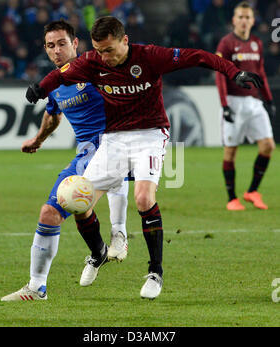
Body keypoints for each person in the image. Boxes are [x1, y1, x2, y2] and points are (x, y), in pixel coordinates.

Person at [25, 16, 263, 299]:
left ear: (125, 41)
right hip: (114, 138)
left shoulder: (150, 56)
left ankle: (155, 272)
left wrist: (233, 72)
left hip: (150, 134)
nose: (105, 58)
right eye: (99, 51)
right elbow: (62, 74)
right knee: (79, 199)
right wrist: (40, 88)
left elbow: (197, 56)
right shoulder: (93, 61)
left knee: (143, 198)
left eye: (110, 50)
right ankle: (99, 252)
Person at [1, 20, 129, 301]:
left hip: (113, 146)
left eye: (62, 43)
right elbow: (53, 113)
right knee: (67, 211)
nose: (56, 50)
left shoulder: (98, 67)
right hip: (86, 153)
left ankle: (119, 234)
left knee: (57, 209)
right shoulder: (56, 82)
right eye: (50, 45)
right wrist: (37, 140)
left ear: (75, 44)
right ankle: (96, 254)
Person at [215, 1, 276, 211]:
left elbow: (260, 72)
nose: (243, 21)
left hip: (254, 102)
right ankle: (232, 198)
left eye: (247, 17)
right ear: (234, 20)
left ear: (252, 20)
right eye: (240, 17)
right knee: (231, 151)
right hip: (234, 101)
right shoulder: (226, 44)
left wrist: (268, 99)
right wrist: (224, 105)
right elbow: (220, 75)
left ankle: (252, 191)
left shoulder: (257, 43)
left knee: (268, 146)